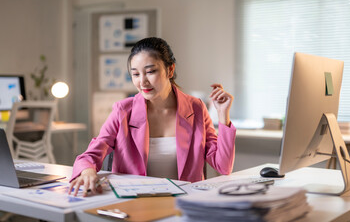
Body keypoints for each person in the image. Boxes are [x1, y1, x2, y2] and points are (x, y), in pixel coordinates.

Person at [69, 37, 236, 196]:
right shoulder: (123, 110)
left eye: (150, 72)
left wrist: (223, 115)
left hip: (185, 203)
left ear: (170, 70)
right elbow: (91, 155)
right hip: (135, 201)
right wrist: (88, 171)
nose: (142, 82)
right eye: (135, 74)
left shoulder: (196, 108)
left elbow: (223, 166)